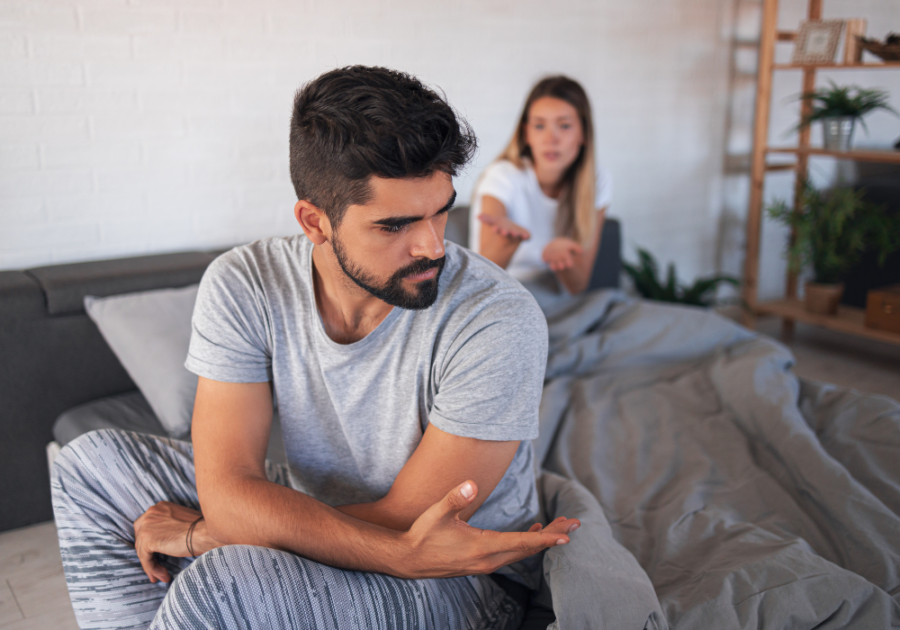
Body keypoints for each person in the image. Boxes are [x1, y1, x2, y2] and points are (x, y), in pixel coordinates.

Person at [50, 66, 580, 630]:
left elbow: (412, 525)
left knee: (224, 582)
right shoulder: (245, 282)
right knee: (89, 463)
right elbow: (228, 489)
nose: (432, 245)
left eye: (441, 209)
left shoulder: (497, 317)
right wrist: (236, 520)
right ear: (314, 222)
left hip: (459, 577)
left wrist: (207, 537)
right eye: (395, 225)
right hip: (340, 514)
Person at [469, 76, 612, 295]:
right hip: (504, 293)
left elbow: (579, 285)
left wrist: (563, 261)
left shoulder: (597, 180)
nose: (550, 138)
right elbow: (480, 280)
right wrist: (506, 243)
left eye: (564, 126)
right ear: (527, 134)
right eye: (539, 125)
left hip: (555, 296)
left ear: (583, 133)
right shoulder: (501, 176)